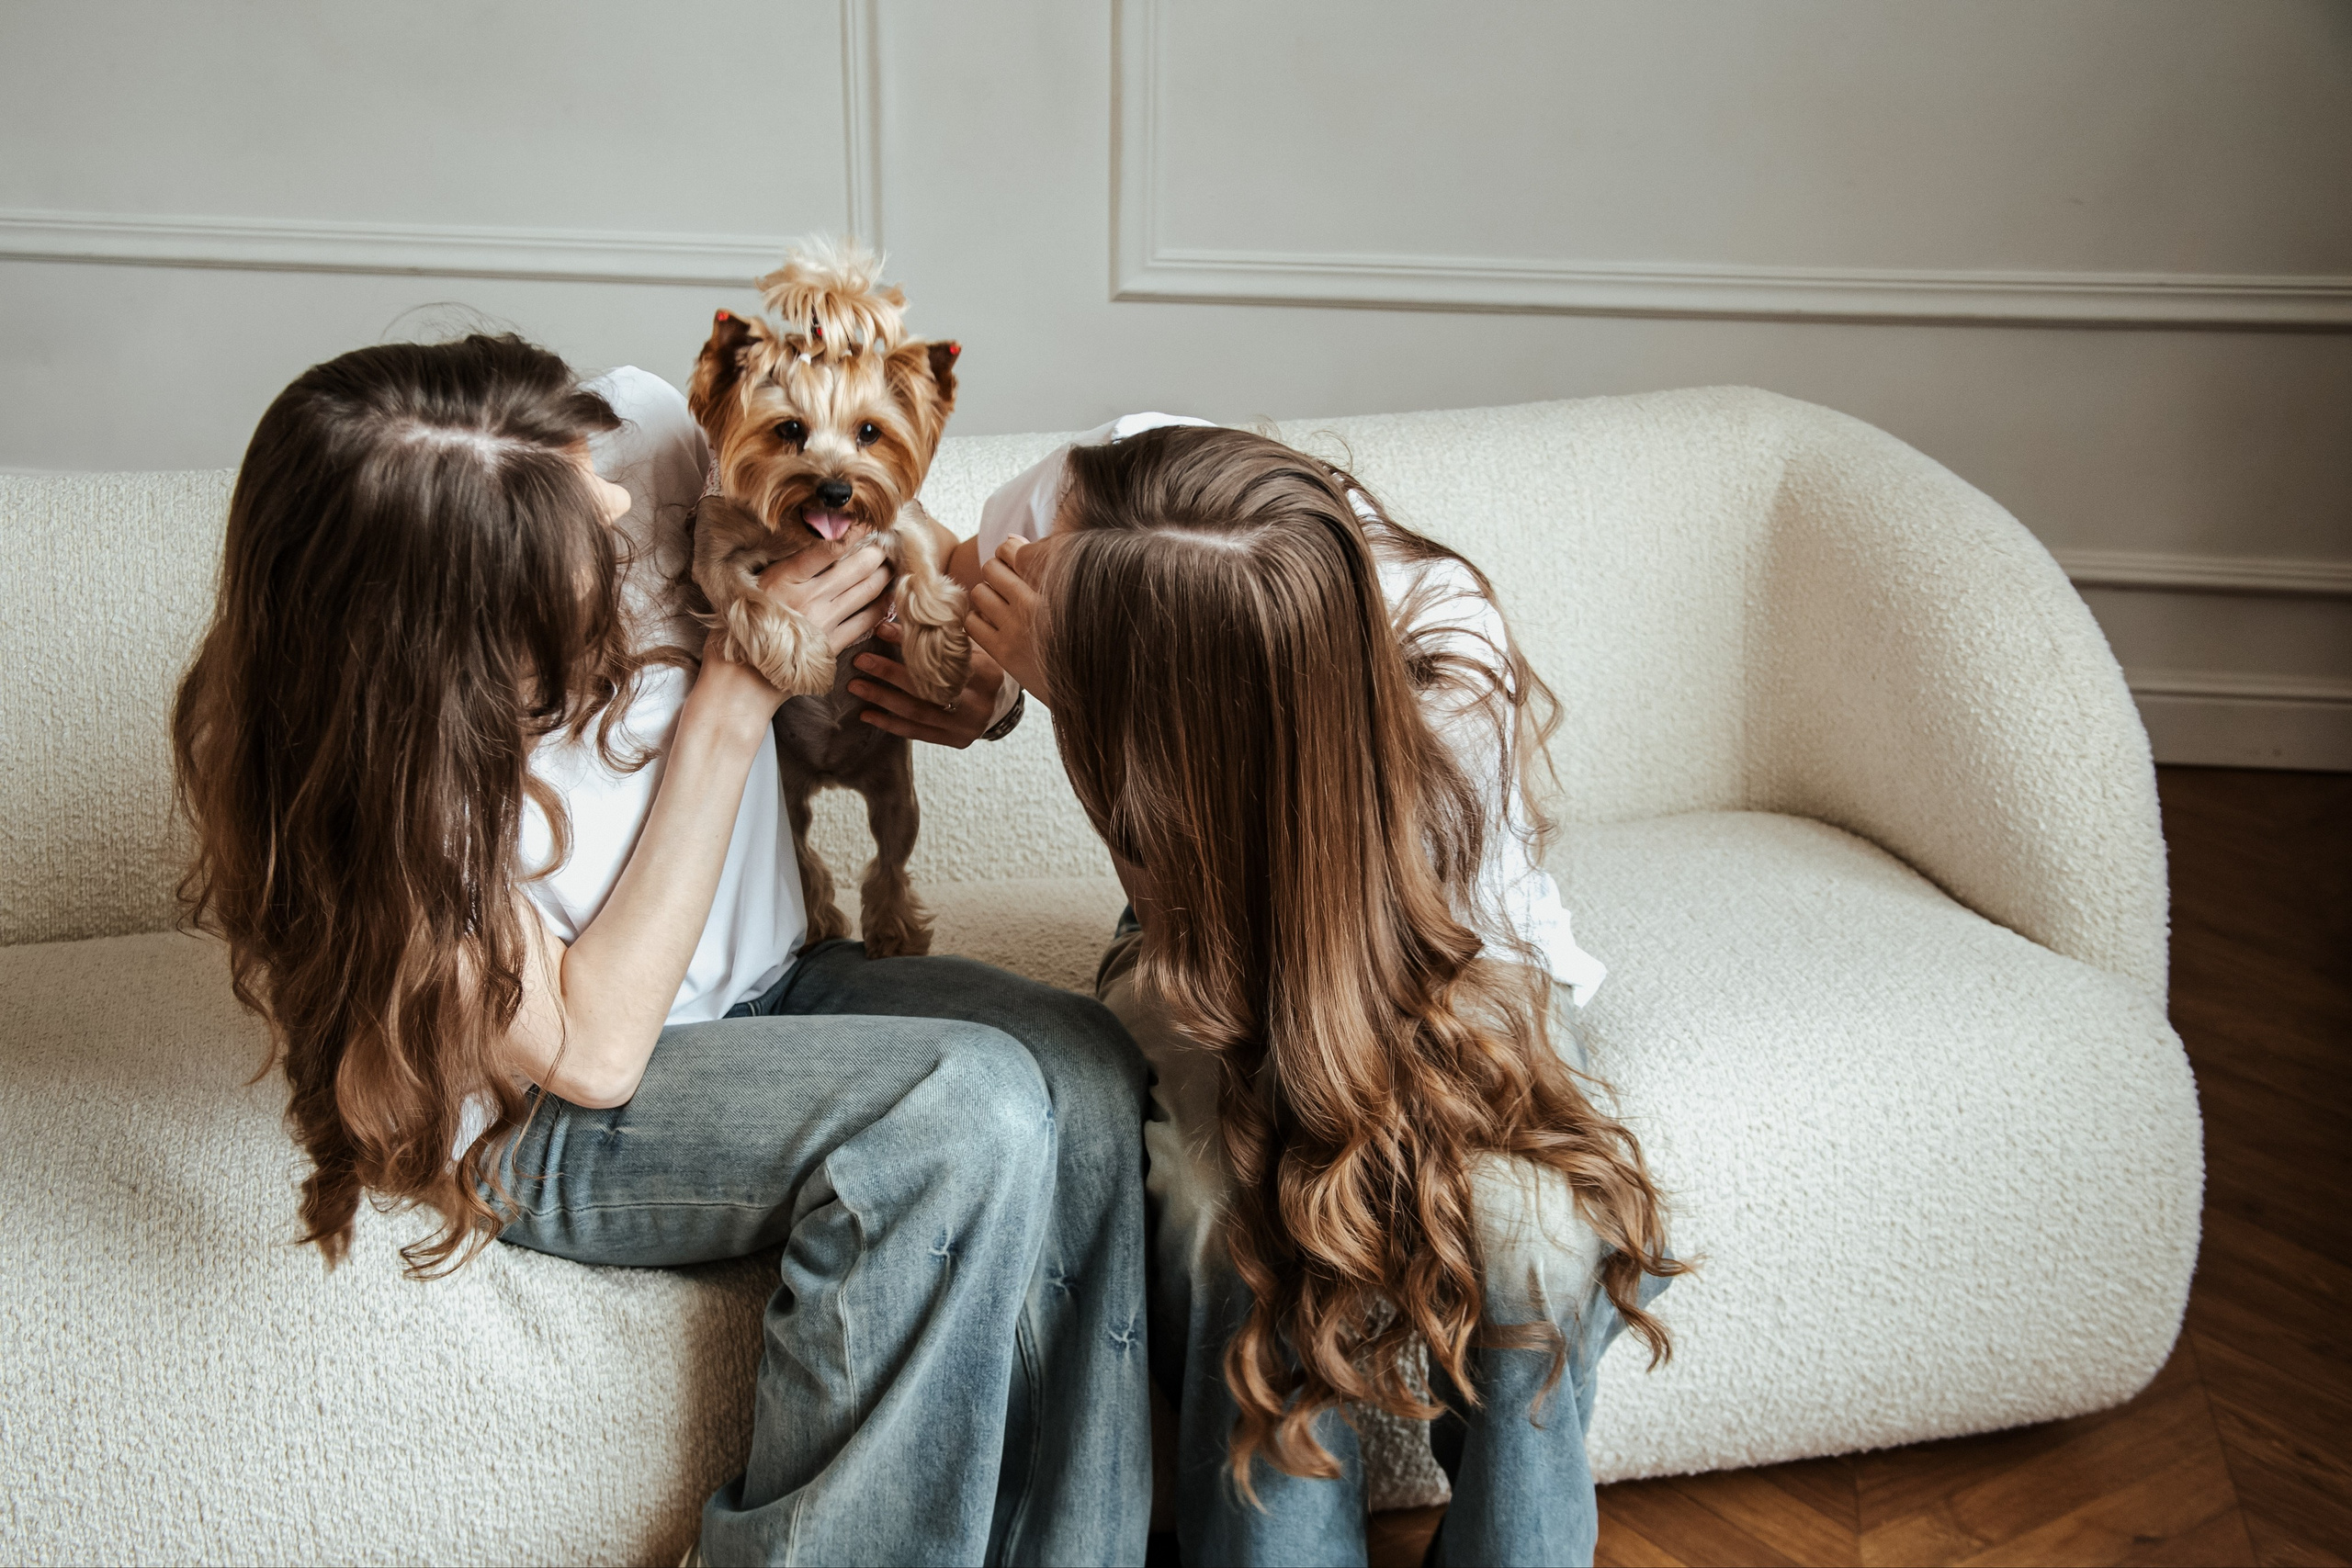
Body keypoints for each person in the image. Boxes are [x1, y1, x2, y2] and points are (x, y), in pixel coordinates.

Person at [170, 334, 1151, 1567]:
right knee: (966, 1106)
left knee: (1090, 1064)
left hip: (777, 981)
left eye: (596, 472)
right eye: (587, 522)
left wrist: (978, 693)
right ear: (457, 637)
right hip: (547, 1115)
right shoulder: (383, 794)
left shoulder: (635, 437)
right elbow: (590, 1054)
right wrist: (738, 693)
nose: (628, 508)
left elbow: (885, 525)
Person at [956, 419, 1684, 1567]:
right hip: (1192, 925)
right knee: (1227, 1224)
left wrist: (1089, 701)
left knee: (1535, 1232)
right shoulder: (1111, 484)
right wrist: (993, 694)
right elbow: (967, 612)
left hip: (1439, 954)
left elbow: (1339, 998)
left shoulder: (1448, 669)